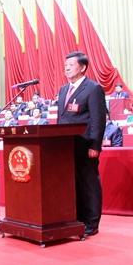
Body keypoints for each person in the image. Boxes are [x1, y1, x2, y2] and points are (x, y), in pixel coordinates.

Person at [57, 51, 106, 237]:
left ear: (83, 67)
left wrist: (95, 146)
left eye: (71, 65)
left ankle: (91, 223)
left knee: (89, 183)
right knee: (73, 183)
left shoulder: (93, 88)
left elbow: (98, 120)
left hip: (86, 146)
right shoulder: (63, 90)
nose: (67, 68)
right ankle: (76, 218)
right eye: (65, 65)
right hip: (66, 147)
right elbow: (62, 119)